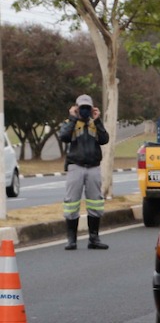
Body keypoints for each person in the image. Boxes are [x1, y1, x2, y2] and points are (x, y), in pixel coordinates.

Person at [57, 94, 110, 250]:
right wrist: (73, 118)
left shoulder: (95, 124)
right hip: (76, 166)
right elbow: (64, 137)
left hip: (93, 167)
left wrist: (98, 119)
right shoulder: (70, 123)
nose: (85, 111)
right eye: (82, 108)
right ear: (76, 108)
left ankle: (94, 238)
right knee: (71, 203)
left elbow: (104, 139)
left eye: (88, 108)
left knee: (96, 202)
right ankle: (71, 239)